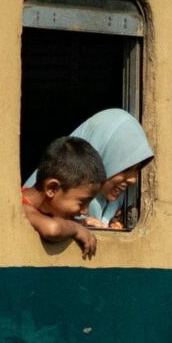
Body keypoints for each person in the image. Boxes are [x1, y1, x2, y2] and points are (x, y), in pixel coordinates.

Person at [25, 109, 155, 230]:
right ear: (102, 156)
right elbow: (51, 229)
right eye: (125, 168)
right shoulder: (38, 205)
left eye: (137, 169)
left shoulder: (118, 206)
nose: (133, 179)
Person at [21, 136, 105, 259]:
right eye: (82, 202)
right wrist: (76, 228)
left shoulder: (48, 210)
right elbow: (52, 229)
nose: (85, 211)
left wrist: (81, 222)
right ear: (52, 189)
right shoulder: (21, 206)